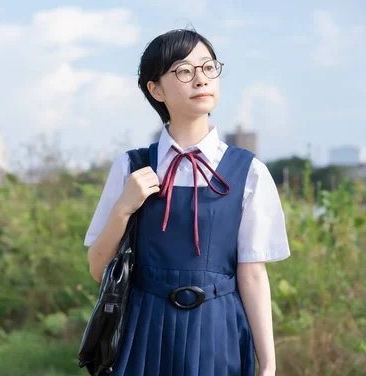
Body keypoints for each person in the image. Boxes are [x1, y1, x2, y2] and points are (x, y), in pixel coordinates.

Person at [84, 28, 290, 376]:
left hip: (218, 331)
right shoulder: (131, 167)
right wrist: (124, 207)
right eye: (183, 71)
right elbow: (96, 268)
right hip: (143, 330)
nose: (200, 80)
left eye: (208, 68)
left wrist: (268, 365)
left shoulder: (248, 172)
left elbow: (253, 275)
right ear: (155, 89)